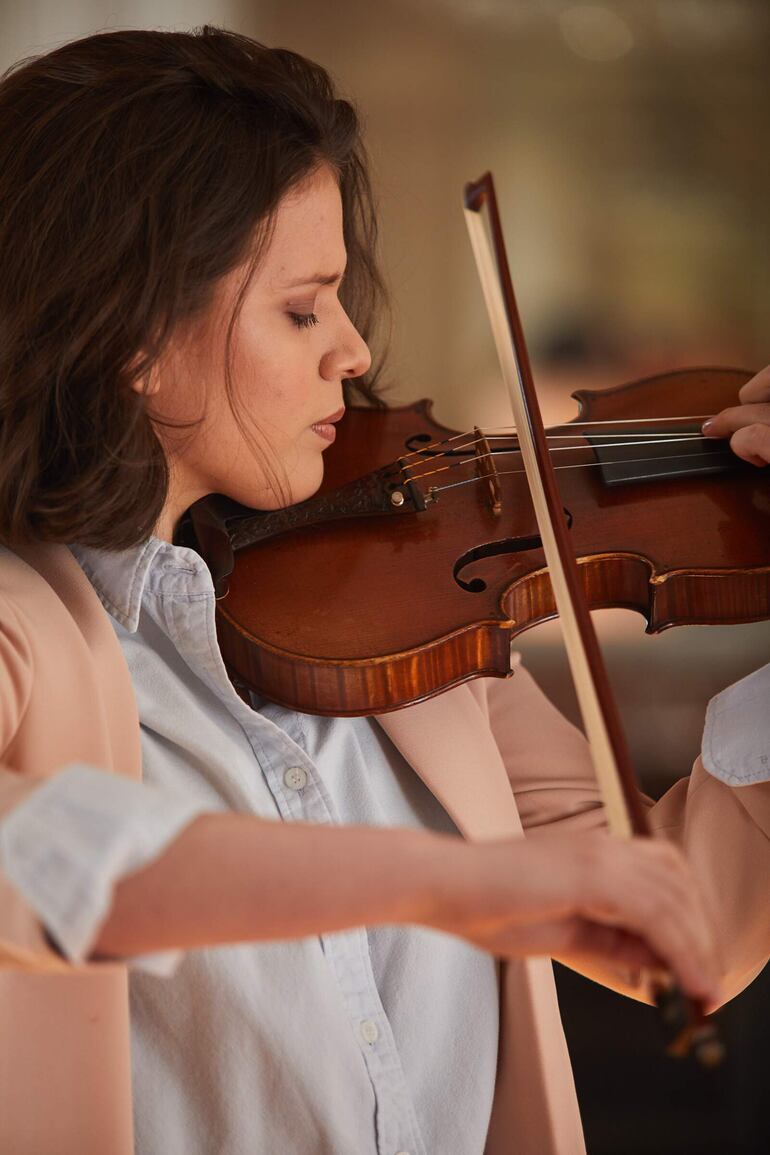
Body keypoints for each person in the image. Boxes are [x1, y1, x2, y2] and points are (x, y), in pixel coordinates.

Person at [0, 27, 765, 1155]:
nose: (354, 351)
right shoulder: (24, 633)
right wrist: (444, 883)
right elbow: (42, 855)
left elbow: (682, 927)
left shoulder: (408, 636)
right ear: (130, 337)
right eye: (303, 308)